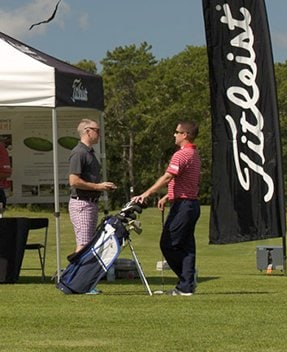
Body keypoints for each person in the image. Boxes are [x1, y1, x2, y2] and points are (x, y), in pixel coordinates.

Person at [132, 120, 202, 296]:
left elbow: (167, 177)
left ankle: (187, 280)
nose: (174, 135)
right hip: (191, 204)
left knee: (168, 244)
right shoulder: (194, 154)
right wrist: (167, 196)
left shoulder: (181, 154)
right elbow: (185, 182)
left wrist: (146, 194)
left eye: (177, 132)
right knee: (186, 247)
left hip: (184, 206)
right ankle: (186, 287)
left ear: (185, 135)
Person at [68, 119, 116, 254]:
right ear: (88, 131)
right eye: (97, 131)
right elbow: (74, 181)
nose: (99, 134)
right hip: (82, 204)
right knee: (83, 245)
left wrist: (102, 187)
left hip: (90, 203)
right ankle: (77, 268)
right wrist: (98, 187)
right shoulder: (79, 152)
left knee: (88, 244)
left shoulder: (90, 152)